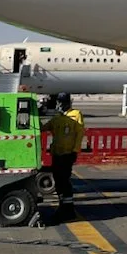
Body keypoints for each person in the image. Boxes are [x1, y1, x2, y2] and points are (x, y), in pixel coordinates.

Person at [45, 91, 85, 221]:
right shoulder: (57, 118)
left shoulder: (76, 115)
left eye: (62, 102)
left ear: (69, 102)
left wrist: (75, 150)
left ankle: (68, 209)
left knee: (64, 180)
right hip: (57, 153)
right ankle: (63, 205)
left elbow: (79, 134)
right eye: (59, 102)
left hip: (68, 153)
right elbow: (45, 127)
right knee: (58, 181)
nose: (60, 104)